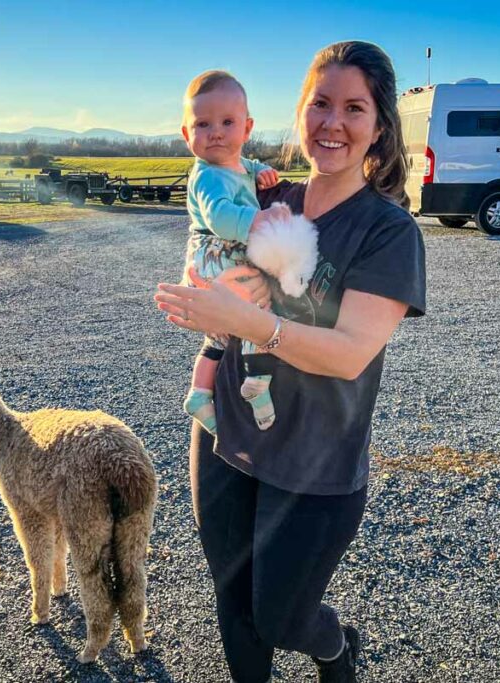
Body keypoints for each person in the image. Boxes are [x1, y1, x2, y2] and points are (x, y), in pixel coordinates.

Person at [155, 41, 427, 683]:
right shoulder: (267, 198)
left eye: (354, 108)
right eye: (320, 104)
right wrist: (199, 291)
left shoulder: (387, 231)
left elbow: (350, 353)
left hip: (315, 462)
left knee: (280, 616)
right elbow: (209, 246)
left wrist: (246, 320)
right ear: (299, 113)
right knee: (234, 604)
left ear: (379, 127)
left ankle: (336, 648)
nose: (334, 123)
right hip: (227, 433)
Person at [178, 69, 289, 435]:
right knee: (259, 311)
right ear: (186, 135)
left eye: (228, 122)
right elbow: (219, 216)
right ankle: (257, 380)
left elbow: (248, 167)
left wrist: (264, 171)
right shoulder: (209, 175)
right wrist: (258, 220)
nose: (217, 133)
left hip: (214, 259)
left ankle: (199, 392)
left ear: (247, 129)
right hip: (218, 253)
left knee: (219, 335)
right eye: (203, 124)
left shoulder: (236, 163)